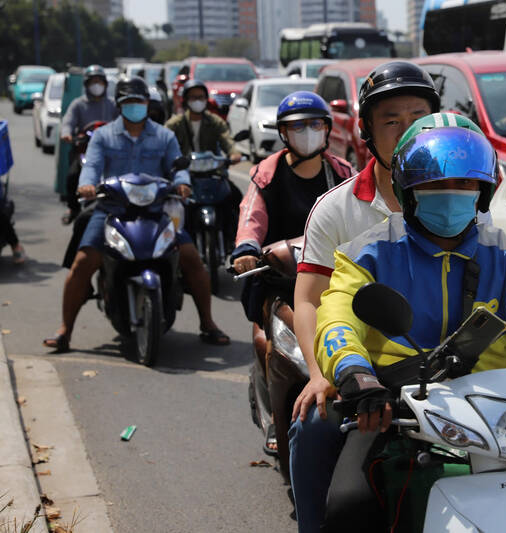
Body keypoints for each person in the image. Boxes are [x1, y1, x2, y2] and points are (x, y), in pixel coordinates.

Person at [291, 119, 506, 532]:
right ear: (408, 191)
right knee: (350, 505)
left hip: (499, 415)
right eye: (435, 185)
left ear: (483, 192)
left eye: (465, 184)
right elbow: (338, 318)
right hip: (398, 409)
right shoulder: (367, 254)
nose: (451, 195)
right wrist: (354, 372)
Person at [289, 62, 440, 435]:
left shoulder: (463, 198)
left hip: (447, 371)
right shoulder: (335, 209)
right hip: (359, 374)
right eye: (392, 122)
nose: (407, 133)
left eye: (418, 118)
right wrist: (319, 373)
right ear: (367, 130)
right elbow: (309, 301)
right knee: (313, 427)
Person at [43, 76, 230, 352]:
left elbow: (177, 166)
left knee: (192, 259)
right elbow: (91, 166)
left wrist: (182, 183)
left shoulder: (164, 136)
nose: (135, 106)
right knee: (83, 262)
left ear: (147, 103)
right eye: (128, 102)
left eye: (139, 101)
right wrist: (87, 185)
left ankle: (208, 323)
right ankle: (65, 330)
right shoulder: (103, 136)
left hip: (158, 209)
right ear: (119, 105)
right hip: (112, 209)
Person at [231, 90, 352, 453]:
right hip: (278, 279)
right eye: (298, 126)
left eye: (316, 124)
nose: (308, 131)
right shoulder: (266, 174)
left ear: (328, 129)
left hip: (335, 280)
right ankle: (274, 420)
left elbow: (364, 216)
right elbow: (250, 218)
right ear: (284, 133)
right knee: (264, 342)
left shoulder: (343, 174)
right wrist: (247, 250)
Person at [164, 79, 243, 243]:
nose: (197, 101)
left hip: (213, 173)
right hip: (186, 175)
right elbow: (163, 143)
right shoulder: (174, 124)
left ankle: (236, 241)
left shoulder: (215, 121)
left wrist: (234, 154)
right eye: (193, 98)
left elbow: (226, 139)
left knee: (235, 198)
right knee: (174, 205)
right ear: (185, 100)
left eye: (201, 97)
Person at [60, 65, 119, 225]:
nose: (97, 85)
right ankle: (72, 207)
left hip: (110, 150)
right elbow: (68, 122)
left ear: (106, 84)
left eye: (100, 81)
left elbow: (122, 123)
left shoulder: (112, 104)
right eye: (93, 81)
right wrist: (67, 133)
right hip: (84, 150)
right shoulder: (78, 104)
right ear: (86, 84)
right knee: (72, 176)